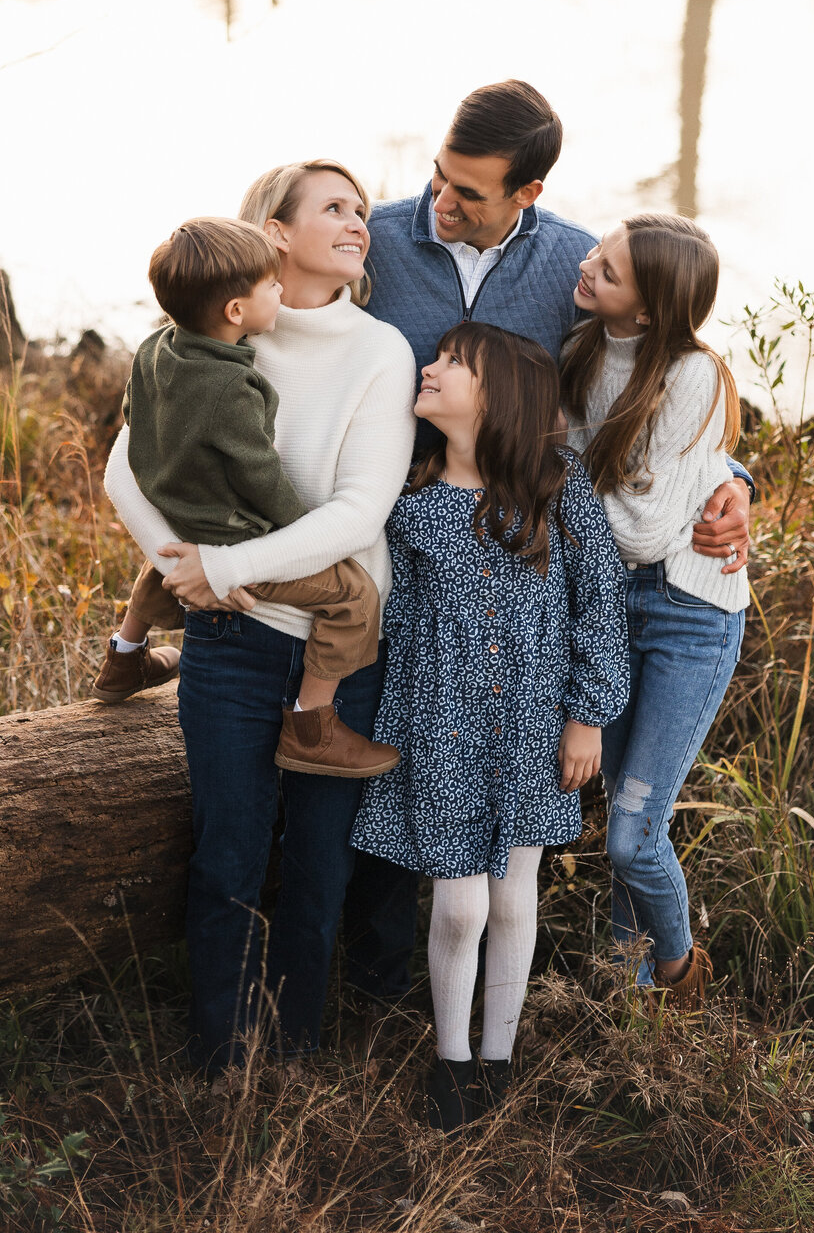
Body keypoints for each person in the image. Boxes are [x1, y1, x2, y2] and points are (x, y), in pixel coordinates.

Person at [346, 79, 753, 1002]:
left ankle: (621, 985)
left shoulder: (580, 270)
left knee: (568, 809)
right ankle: (372, 985)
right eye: (438, 178)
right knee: (390, 761)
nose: (440, 204)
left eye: (470, 193)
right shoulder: (381, 241)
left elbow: (667, 403)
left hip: (539, 588)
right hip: (403, 551)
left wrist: (735, 482)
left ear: (527, 193)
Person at [103, 161, 416, 1075]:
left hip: (337, 644)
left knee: (320, 869)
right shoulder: (210, 331)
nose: (359, 223)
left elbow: (359, 513)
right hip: (231, 643)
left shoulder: (380, 352)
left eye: (361, 209)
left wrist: (228, 564)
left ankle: (295, 1048)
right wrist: (187, 571)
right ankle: (220, 1054)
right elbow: (125, 470)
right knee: (228, 856)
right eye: (333, 208)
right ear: (275, 233)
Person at [350, 322, 628, 1132]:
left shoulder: (555, 487)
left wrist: (588, 718)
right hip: (439, 727)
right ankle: (451, 1063)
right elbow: (387, 615)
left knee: (513, 899)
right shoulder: (407, 504)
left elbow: (601, 604)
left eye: (449, 363)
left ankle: (500, 1062)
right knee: (461, 907)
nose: (427, 368)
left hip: (536, 727)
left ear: (497, 393)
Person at [94, 214, 399, 781]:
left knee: (166, 563)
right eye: (271, 286)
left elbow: (132, 423)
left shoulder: (153, 348)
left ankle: (123, 658)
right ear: (237, 312)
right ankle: (313, 724)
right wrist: (300, 534)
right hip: (242, 537)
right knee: (355, 596)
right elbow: (259, 471)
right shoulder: (235, 385)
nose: (280, 290)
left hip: (185, 520)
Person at [561, 213, 748, 1003]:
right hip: (613, 609)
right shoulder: (583, 352)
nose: (587, 265)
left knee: (636, 834)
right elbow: (614, 505)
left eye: (609, 269)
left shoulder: (694, 375)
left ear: (647, 312)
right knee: (619, 820)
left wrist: (564, 486)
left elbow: (639, 535)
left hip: (687, 615)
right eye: (599, 252)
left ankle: (677, 970)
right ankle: (626, 996)